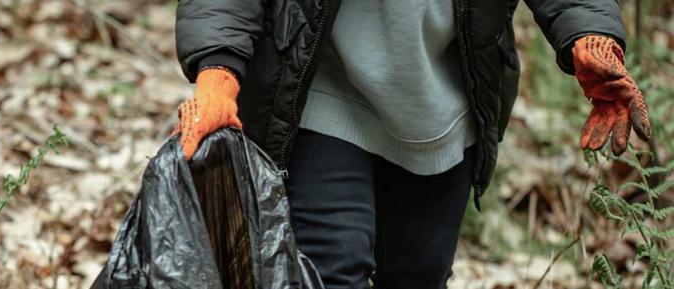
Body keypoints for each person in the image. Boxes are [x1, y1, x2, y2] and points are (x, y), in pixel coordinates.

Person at [172, 1, 653, 288]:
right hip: (322, 86)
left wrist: (590, 33)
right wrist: (218, 70)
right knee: (329, 272)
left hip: (443, 99)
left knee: (418, 278)